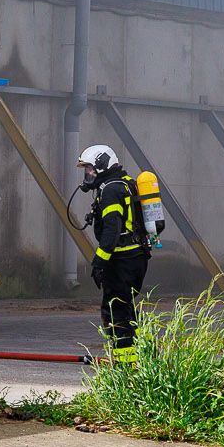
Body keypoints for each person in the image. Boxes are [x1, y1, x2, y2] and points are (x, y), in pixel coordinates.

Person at [76, 144, 150, 362]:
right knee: (127, 308)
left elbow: (111, 231)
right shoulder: (126, 184)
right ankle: (145, 357)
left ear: (101, 165)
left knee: (115, 312)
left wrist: (99, 263)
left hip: (121, 260)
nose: (87, 174)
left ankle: (125, 364)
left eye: (89, 168)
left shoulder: (110, 190)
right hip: (137, 257)